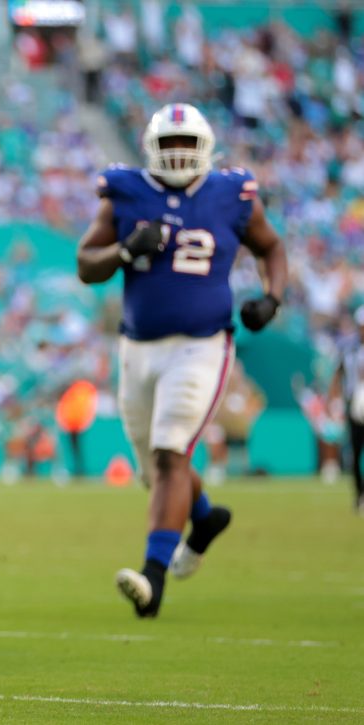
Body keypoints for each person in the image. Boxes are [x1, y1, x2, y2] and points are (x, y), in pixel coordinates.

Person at [77, 103, 287, 618]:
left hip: (202, 343)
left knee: (172, 453)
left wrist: (273, 296)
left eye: (184, 145)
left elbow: (271, 246)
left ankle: (153, 578)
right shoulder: (127, 191)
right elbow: (87, 264)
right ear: (151, 147)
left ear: (205, 149)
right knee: (155, 468)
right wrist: (125, 251)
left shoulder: (231, 194)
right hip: (137, 345)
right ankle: (205, 517)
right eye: (167, 144)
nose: (175, 154)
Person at [328, 306, 364, 514]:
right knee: (355, 451)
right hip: (354, 405)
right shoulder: (349, 348)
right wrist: (333, 400)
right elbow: (338, 374)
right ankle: (359, 494)